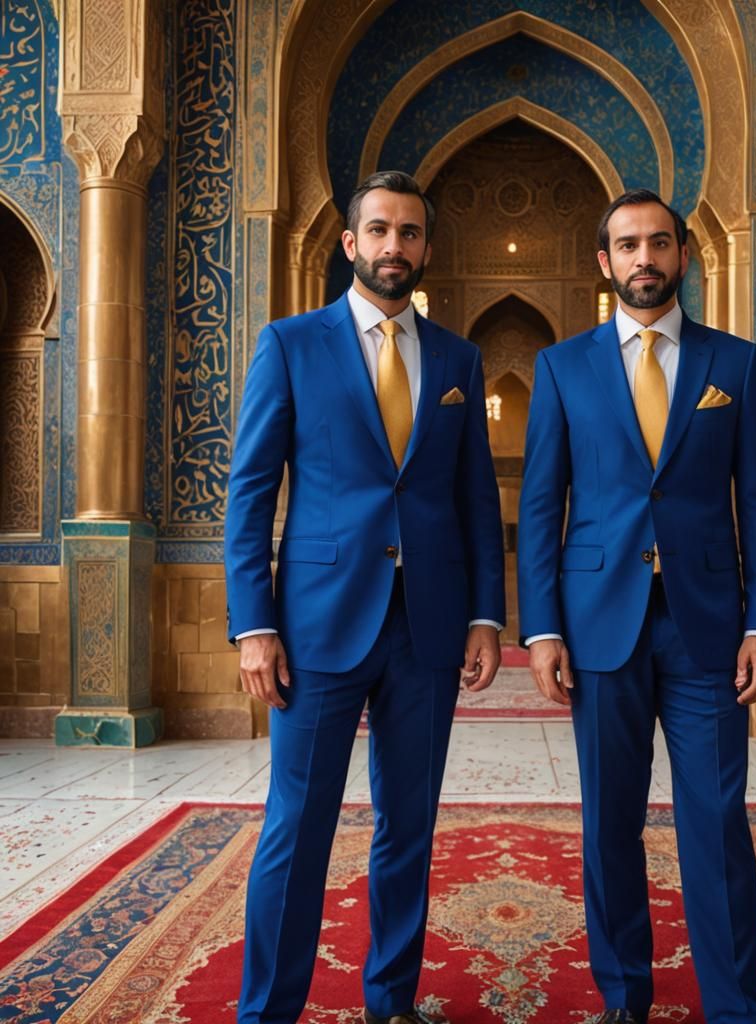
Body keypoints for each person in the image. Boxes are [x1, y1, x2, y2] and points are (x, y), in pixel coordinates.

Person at [225, 170, 505, 1024]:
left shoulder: (458, 359)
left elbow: (474, 500)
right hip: (313, 626)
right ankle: (268, 1009)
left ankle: (391, 1000)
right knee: (295, 828)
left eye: (410, 233)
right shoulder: (291, 344)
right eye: (378, 231)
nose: (395, 247)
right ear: (350, 244)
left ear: (426, 247)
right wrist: (253, 625)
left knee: (408, 826)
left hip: (427, 628)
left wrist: (487, 615)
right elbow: (249, 491)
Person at [517, 189, 756, 1024]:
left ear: (683, 255)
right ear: (606, 262)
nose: (645, 259)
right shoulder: (562, 367)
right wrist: (543, 628)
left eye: (660, 243)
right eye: (628, 245)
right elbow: (539, 505)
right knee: (610, 827)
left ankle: (737, 1006)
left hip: (709, 625)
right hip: (600, 624)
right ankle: (624, 1000)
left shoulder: (733, 364)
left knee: (716, 824)